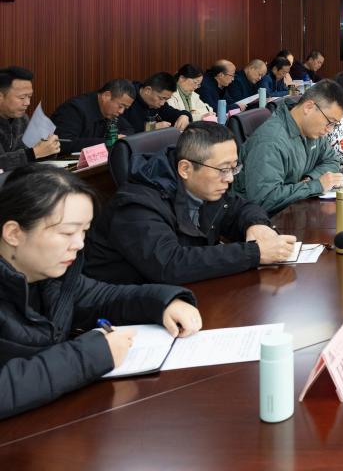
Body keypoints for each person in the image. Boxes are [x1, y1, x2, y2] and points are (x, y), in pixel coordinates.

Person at [0, 165, 201, 419]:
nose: (79, 244)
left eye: (84, 231)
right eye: (67, 232)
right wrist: (93, 355)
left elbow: (103, 297)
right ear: (14, 233)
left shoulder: (50, 276)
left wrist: (164, 303)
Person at [85, 122, 296, 285]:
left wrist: (256, 224)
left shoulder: (205, 187)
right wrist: (254, 253)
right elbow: (170, 264)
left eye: (234, 168)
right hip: (123, 314)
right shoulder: (135, 206)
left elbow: (242, 207)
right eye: (223, 169)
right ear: (185, 169)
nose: (230, 178)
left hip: (182, 296)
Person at [235, 79, 343, 214]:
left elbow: (332, 160)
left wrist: (310, 178)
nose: (329, 129)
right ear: (308, 107)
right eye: (330, 122)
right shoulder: (271, 141)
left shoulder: (313, 131)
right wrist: (315, 186)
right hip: (263, 220)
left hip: (294, 212)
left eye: (334, 124)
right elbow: (264, 199)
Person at [0, 67, 60, 171]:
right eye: (22, 97)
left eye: (29, 97)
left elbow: (32, 153)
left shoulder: (22, 118)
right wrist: (34, 153)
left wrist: (49, 149)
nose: (27, 103)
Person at [52, 78, 136, 153]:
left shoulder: (112, 112)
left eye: (125, 108)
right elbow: (63, 143)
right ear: (106, 96)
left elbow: (129, 130)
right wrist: (108, 142)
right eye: (120, 106)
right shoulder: (74, 109)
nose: (122, 111)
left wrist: (116, 140)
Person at [123, 72, 191, 133]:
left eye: (166, 99)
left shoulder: (159, 104)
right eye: (161, 98)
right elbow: (123, 130)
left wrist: (184, 116)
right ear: (148, 90)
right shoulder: (127, 98)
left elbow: (172, 113)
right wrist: (152, 127)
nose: (162, 103)